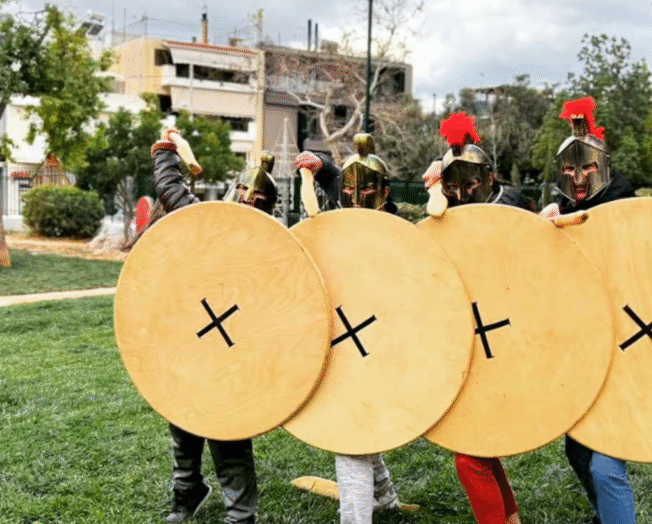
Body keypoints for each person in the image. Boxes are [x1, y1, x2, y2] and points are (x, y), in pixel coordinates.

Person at [150, 128, 278, 524]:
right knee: (182, 422)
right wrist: (167, 152)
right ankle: (187, 492)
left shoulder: (271, 248)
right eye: (243, 192)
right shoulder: (207, 222)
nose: (246, 201)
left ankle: (241, 515)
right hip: (192, 342)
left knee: (228, 435)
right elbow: (173, 193)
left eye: (256, 200)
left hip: (235, 356)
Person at [422, 112, 530, 524]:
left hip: (507, 343)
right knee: (480, 444)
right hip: (476, 343)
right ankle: (510, 518)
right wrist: (435, 187)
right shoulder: (450, 214)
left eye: (471, 185)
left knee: (471, 454)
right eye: (456, 188)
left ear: (489, 178)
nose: (464, 195)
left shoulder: (511, 206)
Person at [294, 132, 401, 524]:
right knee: (358, 423)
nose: (356, 197)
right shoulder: (338, 222)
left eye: (366, 190)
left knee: (350, 432)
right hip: (343, 337)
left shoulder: (399, 230)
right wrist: (320, 167)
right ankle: (385, 497)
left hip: (382, 343)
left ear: (385, 192)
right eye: (349, 190)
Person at [540, 96, 637, 524]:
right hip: (585, 345)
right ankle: (604, 515)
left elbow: (605, 226)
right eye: (569, 171)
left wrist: (566, 218)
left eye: (587, 169)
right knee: (577, 449)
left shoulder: (622, 200)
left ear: (603, 167)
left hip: (625, 344)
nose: (577, 178)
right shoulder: (569, 206)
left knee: (605, 463)